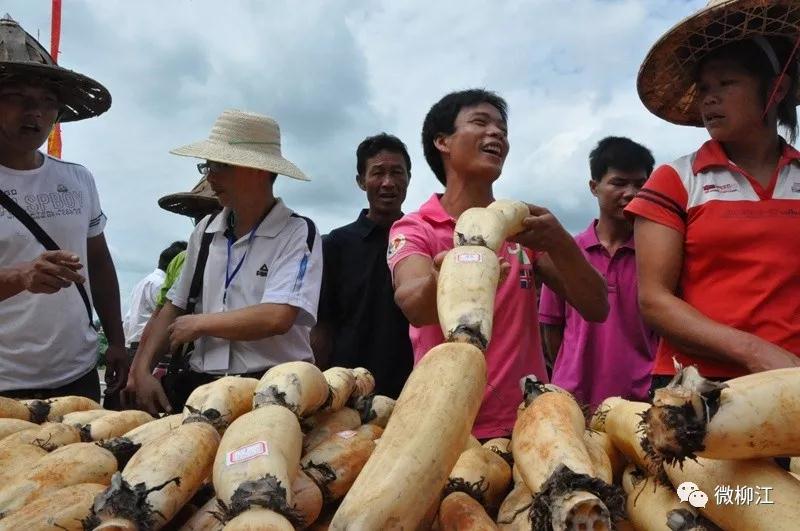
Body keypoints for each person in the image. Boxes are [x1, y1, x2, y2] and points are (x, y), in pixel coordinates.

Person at [388, 89, 608, 439]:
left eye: (502, 128)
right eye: (480, 122)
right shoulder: (417, 227)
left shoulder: (520, 227)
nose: (497, 134)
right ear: (443, 142)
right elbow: (414, 306)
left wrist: (561, 243)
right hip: (442, 428)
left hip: (527, 423)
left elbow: (597, 306)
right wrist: (444, 276)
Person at [626, 0, 800, 395]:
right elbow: (654, 300)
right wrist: (754, 351)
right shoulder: (676, 180)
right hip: (697, 387)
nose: (709, 99)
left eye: (726, 83)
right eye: (704, 88)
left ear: (776, 89)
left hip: (792, 383)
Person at [126, 110, 322, 413]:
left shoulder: (296, 232)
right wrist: (141, 369)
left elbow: (278, 316)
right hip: (202, 385)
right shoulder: (205, 232)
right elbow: (173, 306)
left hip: (273, 389)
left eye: (220, 165)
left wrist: (201, 324)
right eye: (209, 165)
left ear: (258, 169)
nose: (209, 176)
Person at [0, 15, 127, 402]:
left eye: (47, 103)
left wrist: (117, 341)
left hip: (78, 373)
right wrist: (21, 276)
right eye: (19, 98)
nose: (35, 113)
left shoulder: (78, 179)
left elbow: (99, 264)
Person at [539, 136, 658, 410]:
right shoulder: (567, 251)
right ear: (594, 187)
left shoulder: (656, 254)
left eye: (640, 184)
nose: (631, 193)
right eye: (618, 183)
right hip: (573, 403)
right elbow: (551, 329)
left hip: (639, 404)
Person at [313, 133, 414, 398]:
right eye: (378, 173)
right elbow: (323, 323)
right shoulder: (336, 243)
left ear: (409, 179)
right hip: (349, 386)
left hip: (413, 385)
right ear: (361, 181)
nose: (388, 183)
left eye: (397, 173)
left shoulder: (421, 239)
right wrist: (320, 387)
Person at [123, 241, 187, 356]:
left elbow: (129, 318)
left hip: (133, 344)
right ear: (176, 263)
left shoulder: (143, 282)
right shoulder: (160, 285)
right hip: (149, 347)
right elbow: (165, 317)